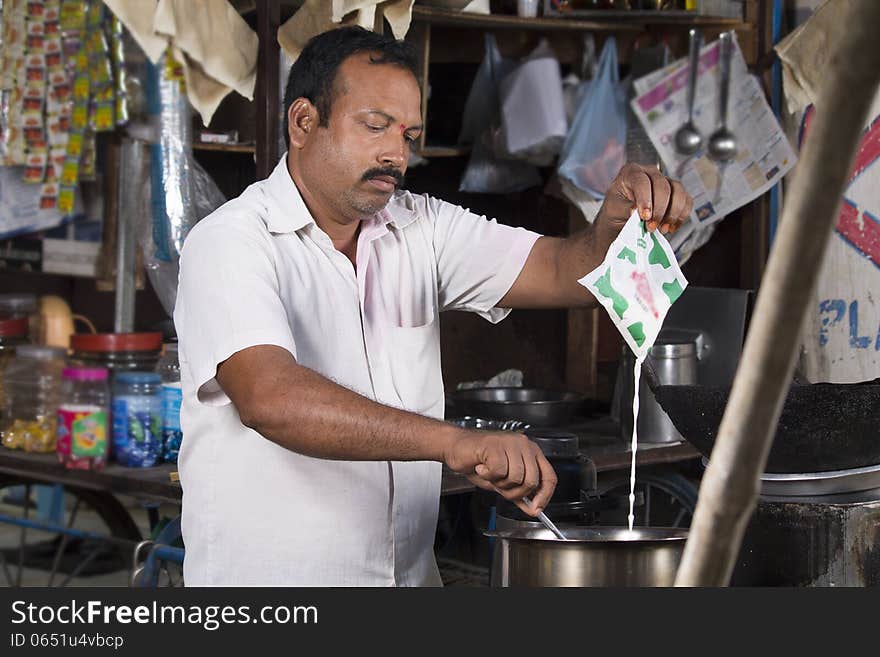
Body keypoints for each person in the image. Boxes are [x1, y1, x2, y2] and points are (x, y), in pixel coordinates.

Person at [174, 26, 692, 586]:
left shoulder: (419, 225)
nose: (396, 153)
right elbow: (270, 399)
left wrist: (611, 230)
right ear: (304, 122)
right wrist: (453, 442)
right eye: (374, 126)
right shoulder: (230, 241)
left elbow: (569, 272)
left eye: (409, 133)